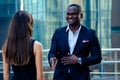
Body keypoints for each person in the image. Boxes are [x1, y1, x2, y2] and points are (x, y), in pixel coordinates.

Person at [48, 4, 102, 80]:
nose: (70, 16)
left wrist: (78, 60)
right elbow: (52, 52)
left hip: (81, 76)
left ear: (81, 15)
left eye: (73, 14)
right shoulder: (58, 33)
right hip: (60, 76)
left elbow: (97, 58)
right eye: (68, 14)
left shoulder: (90, 34)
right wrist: (52, 58)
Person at [2, 11, 44, 80]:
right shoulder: (37, 46)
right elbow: (40, 76)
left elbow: (6, 75)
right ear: (29, 25)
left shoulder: (6, 46)